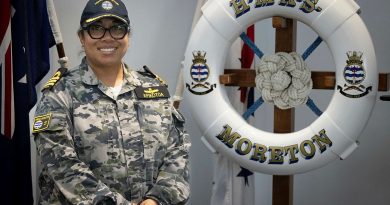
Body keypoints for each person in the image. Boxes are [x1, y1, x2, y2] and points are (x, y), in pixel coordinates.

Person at [32, 0, 190, 204]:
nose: (108, 38)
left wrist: (156, 201)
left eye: (117, 28)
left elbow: (177, 155)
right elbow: (62, 166)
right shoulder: (59, 95)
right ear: (82, 37)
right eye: (96, 29)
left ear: (128, 36)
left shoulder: (155, 91)